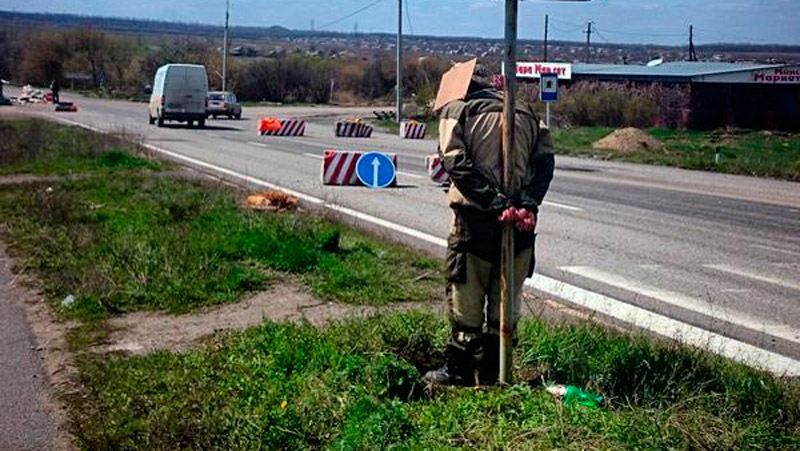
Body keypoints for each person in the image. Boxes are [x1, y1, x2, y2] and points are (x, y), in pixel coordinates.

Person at [424, 65, 555, 386]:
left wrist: (496, 204)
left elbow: (455, 163)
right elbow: (545, 163)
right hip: (520, 227)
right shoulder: (526, 112)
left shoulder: (458, 111)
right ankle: (497, 371)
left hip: (475, 223)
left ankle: (460, 369)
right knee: (506, 298)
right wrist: (526, 204)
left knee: (465, 296)